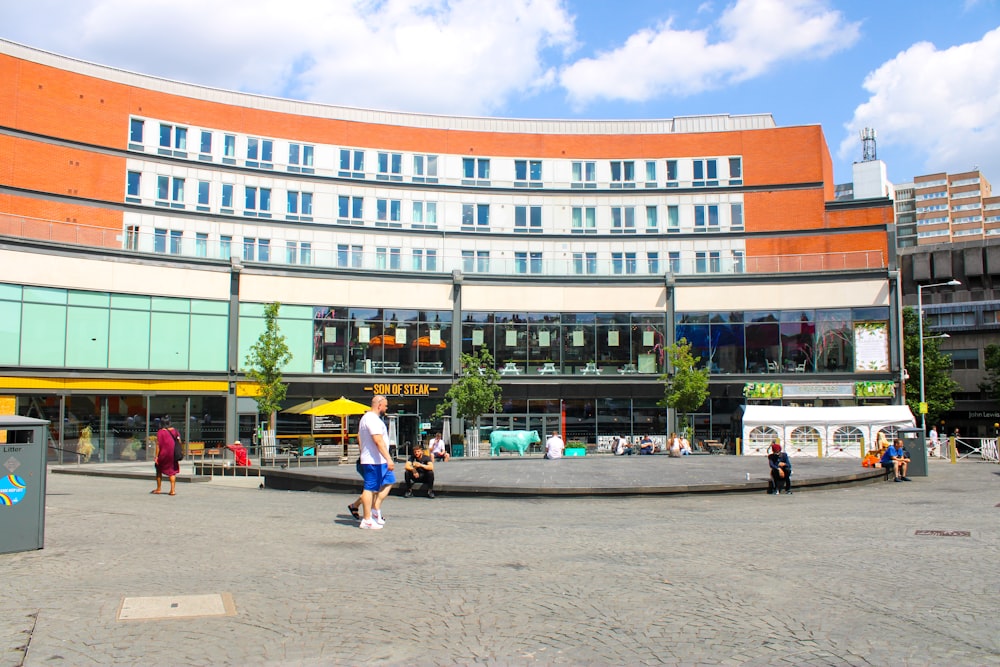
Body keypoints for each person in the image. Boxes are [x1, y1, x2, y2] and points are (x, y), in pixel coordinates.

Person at [351, 395, 395, 530]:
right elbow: (378, 441)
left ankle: (374, 511)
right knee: (370, 488)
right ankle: (367, 519)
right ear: (379, 405)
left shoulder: (371, 419)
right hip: (373, 460)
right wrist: (388, 458)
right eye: (386, 405)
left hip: (377, 460)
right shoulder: (371, 419)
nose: (387, 408)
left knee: (389, 481)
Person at [152, 415, 181, 496]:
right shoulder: (175, 431)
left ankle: (158, 488)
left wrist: (156, 456)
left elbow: (158, 445)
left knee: (159, 470)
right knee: (172, 472)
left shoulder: (160, 432)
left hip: (163, 454)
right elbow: (179, 441)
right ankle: (172, 490)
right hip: (172, 454)